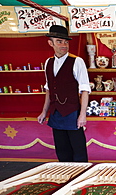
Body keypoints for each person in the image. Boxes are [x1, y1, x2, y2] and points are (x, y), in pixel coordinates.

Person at [37, 25, 91, 162]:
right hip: (55, 113)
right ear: (51, 43)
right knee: (62, 151)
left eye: (66, 42)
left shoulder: (77, 61)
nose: (64, 45)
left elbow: (85, 89)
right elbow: (49, 88)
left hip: (72, 112)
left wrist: (82, 115)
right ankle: (66, 178)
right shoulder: (48, 63)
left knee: (78, 151)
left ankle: (80, 180)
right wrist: (44, 112)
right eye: (59, 41)